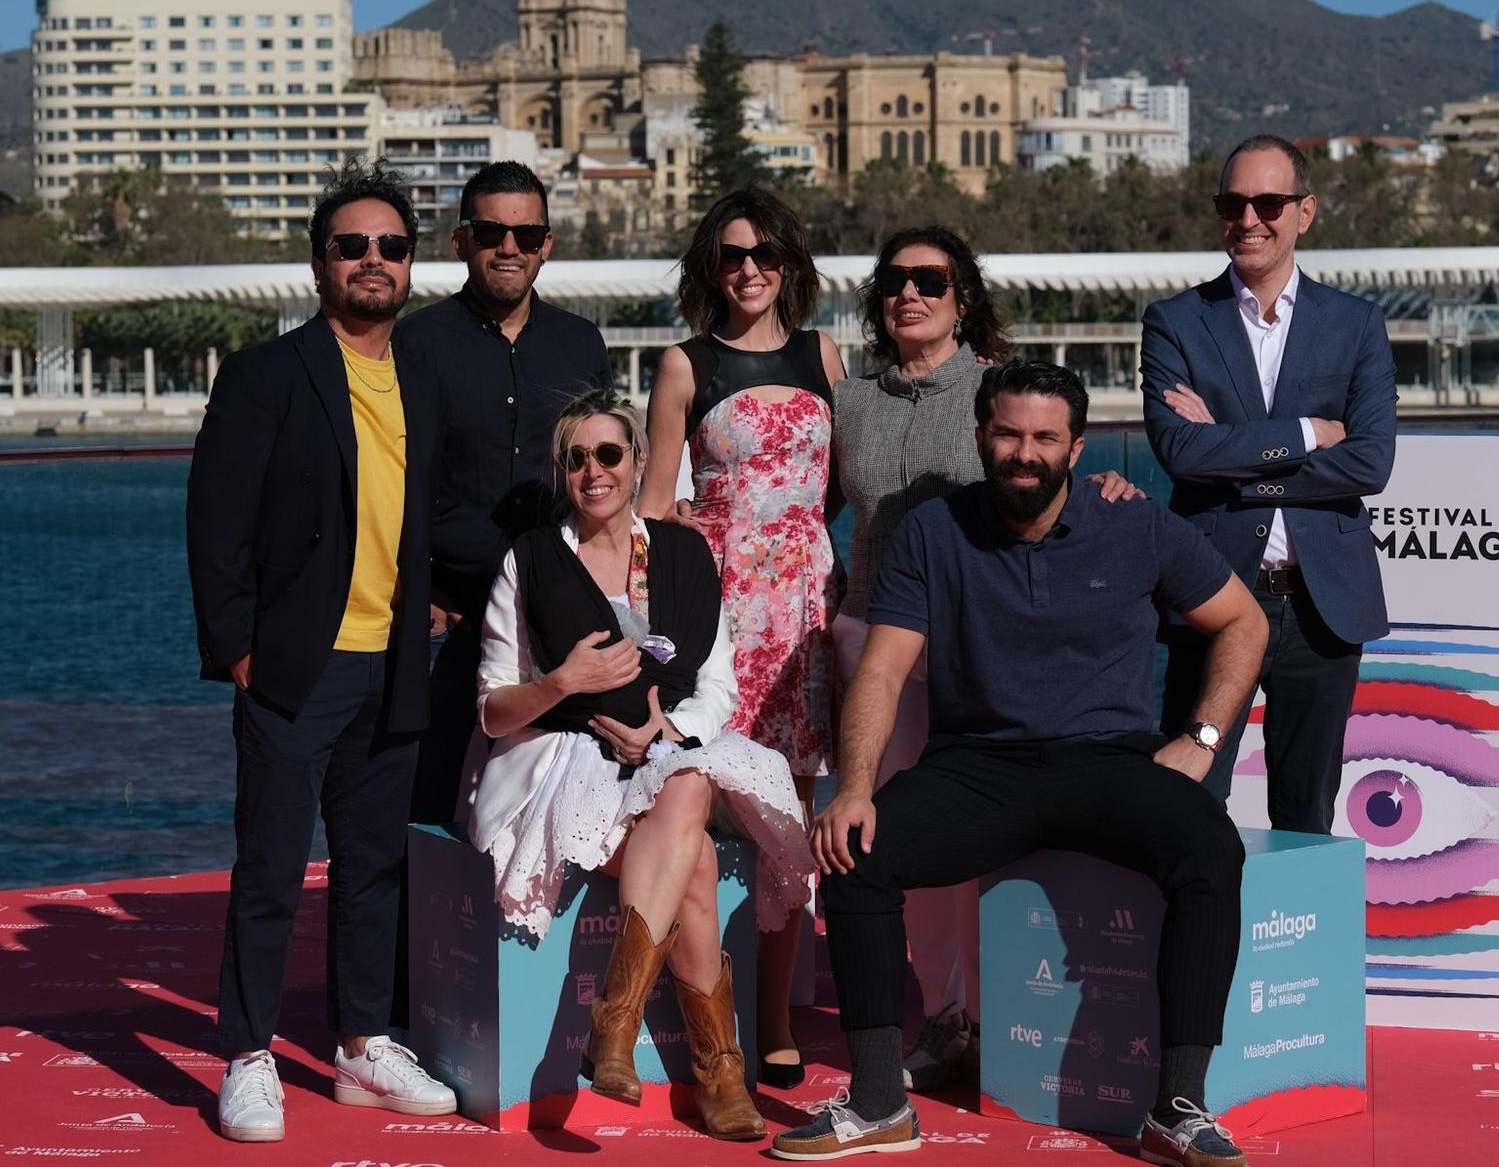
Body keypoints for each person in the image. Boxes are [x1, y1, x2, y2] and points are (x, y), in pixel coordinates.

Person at [775, 362, 1268, 1164]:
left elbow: (1244, 621)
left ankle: (1177, 1104)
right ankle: (876, 1103)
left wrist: (1203, 739)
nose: (1024, 452)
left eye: (1044, 437)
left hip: (1108, 760)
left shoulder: (1134, 519)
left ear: (1077, 446)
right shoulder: (934, 531)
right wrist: (855, 787)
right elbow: (884, 670)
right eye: (1008, 433)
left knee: (1211, 847)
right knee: (854, 852)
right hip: (980, 767)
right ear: (980, 437)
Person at [830, 225, 1141, 1094]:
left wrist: (1112, 488)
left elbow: (1049, 469)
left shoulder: (991, 391)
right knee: (901, 847)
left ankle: (1008, 1013)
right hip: (870, 635)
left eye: (931, 279)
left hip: (967, 643)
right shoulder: (849, 401)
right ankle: (945, 1015)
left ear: (963, 297)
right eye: (894, 280)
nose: (910, 293)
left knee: (980, 845)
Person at [186, 163, 457, 1144]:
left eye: (390, 246)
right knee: (267, 866)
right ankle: (247, 1053)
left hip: (395, 664)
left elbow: (440, 517)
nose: (372, 261)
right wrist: (239, 653)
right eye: (353, 245)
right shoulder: (267, 375)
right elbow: (215, 525)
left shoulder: (421, 377)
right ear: (319, 263)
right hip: (296, 666)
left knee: (373, 865)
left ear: (409, 265)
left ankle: (358, 1047)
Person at [468, 390, 813, 1141]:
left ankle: (614, 1029)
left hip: (669, 752)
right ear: (562, 471)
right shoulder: (527, 560)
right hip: (558, 756)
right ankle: (717, 1068)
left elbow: (719, 681)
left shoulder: (684, 551)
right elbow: (494, 710)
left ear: (640, 461)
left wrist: (668, 729)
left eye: (610, 454)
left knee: (684, 781)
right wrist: (564, 682)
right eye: (577, 458)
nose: (595, 471)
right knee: (689, 852)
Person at [641, 186, 844, 1088]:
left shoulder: (824, 354)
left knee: (788, 819)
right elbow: (650, 504)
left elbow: (845, 485)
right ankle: (708, 1011)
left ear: (790, 266)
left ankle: (775, 1012)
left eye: (766, 254)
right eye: (732, 254)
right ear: (709, 269)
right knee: (715, 798)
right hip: (721, 613)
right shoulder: (684, 366)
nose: (750, 268)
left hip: (806, 608)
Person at [1141, 134, 1397, 832]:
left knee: (1307, 812)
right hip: (1212, 596)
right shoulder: (1175, 322)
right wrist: (1312, 432)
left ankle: (1300, 943)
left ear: (1304, 212)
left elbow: (1371, 462)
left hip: (1322, 607)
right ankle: (1202, 944)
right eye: (1232, 202)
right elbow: (1180, 454)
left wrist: (1231, 460)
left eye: (1267, 201)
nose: (1247, 218)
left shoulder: (1357, 324)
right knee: (1190, 804)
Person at [395, 159, 615, 823]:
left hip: (560, 625)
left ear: (547, 244)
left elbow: (603, 477)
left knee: (568, 803)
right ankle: (421, 930)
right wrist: (420, 588)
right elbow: (401, 480)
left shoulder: (581, 343)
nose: (509, 247)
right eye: (491, 232)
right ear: (462, 241)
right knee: (428, 802)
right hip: (450, 618)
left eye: (526, 233)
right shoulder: (415, 343)